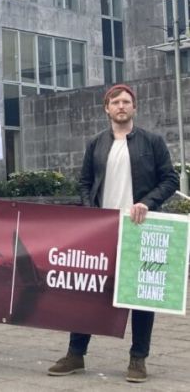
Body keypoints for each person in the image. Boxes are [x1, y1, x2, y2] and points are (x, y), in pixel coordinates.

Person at [47, 84, 178, 383]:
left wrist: (148, 202)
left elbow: (170, 179)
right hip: (103, 229)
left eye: (126, 102)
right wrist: (90, 209)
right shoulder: (96, 143)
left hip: (140, 229)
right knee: (88, 292)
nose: (121, 106)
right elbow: (83, 182)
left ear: (134, 107)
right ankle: (75, 354)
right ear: (106, 108)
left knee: (141, 296)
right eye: (115, 102)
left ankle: (138, 359)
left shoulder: (152, 142)